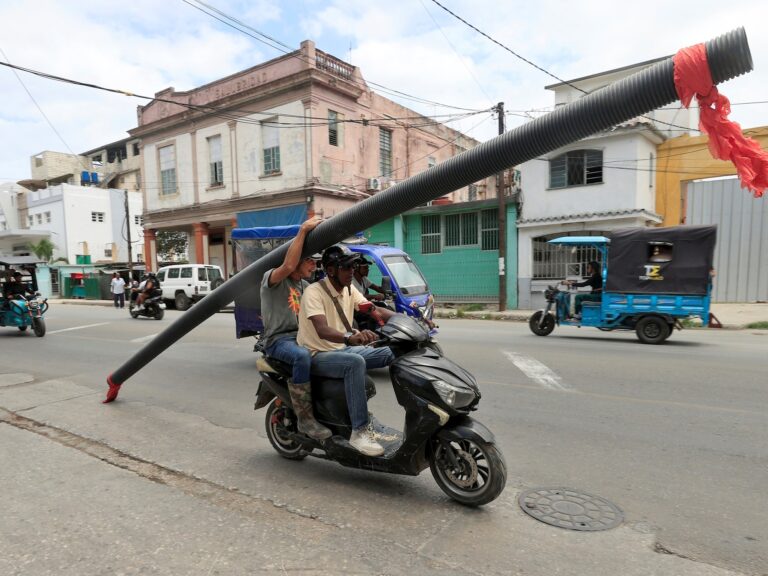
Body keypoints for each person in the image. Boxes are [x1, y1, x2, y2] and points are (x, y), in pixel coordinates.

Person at [297, 245, 396, 457]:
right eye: (347, 267)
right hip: (318, 355)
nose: (352, 271)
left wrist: (404, 321)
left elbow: (373, 309)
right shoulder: (313, 292)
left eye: (353, 266)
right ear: (331, 270)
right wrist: (350, 338)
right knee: (355, 364)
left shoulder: (350, 289)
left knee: (392, 351)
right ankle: (359, 432)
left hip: (341, 350)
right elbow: (322, 330)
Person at [260, 215, 332, 441]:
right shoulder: (273, 279)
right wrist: (303, 231)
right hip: (278, 341)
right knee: (302, 357)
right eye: (310, 260)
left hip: (301, 337)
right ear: (297, 259)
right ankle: (305, 418)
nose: (314, 264)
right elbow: (288, 265)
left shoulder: (306, 286)